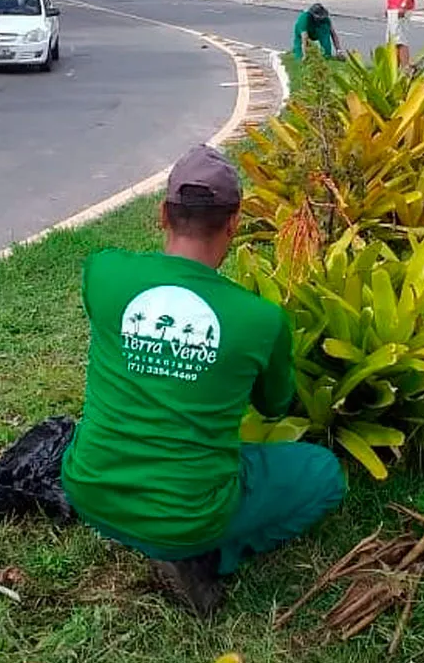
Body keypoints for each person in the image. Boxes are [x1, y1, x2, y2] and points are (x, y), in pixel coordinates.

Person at [61, 145, 346, 617]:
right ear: (234, 223)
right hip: (186, 518)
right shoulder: (260, 320)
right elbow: (277, 406)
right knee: (322, 474)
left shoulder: (104, 271)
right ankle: (206, 557)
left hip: (91, 490)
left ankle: (171, 536)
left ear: (162, 214)